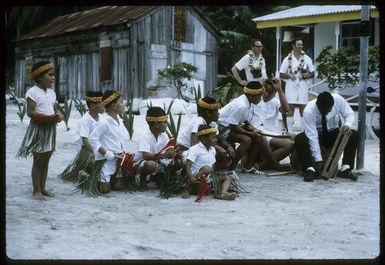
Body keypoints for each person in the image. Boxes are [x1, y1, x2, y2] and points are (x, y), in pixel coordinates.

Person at [16, 61, 64, 200]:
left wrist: (58, 114)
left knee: (46, 159)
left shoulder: (52, 93)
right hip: (39, 129)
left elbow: (55, 108)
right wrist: (47, 118)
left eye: (53, 75)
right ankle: (36, 190)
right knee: (38, 160)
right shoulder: (32, 92)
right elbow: (30, 112)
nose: (53, 78)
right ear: (39, 76)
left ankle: (43, 187)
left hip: (50, 130)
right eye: (50, 75)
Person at [218, 81, 288, 173]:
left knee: (257, 136)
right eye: (259, 96)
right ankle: (232, 168)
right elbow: (233, 126)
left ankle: (248, 166)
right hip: (222, 129)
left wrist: (253, 128)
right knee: (247, 140)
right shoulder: (242, 105)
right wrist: (250, 133)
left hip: (230, 127)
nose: (260, 98)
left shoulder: (247, 101)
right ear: (252, 96)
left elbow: (244, 119)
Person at [294, 91, 358, 182]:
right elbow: (312, 136)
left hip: (333, 132)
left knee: (353, 134)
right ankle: (310, 169)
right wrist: (318, 159)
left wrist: (347, 126)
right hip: (317, 134)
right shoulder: (309, 111)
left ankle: (345, 168)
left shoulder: (338, 100)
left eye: (328, 110)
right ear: (317, 105)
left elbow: (349, 114)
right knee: (299, 138)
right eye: (323, 111)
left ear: (332, 105)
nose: (326, 113)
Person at [58, 91, 105, 182]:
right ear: (92, 106)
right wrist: (95, 153)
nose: (104, 105)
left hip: (100, 148)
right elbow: (85, 141)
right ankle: (84, 175)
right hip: (89, 151)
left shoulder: (102, 118)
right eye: (102, 103)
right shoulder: (86, 120)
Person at [88, 90, 128, 194]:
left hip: (118, 159)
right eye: (121, 102)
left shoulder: (119, 120)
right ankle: (85, 177)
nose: (124, 105)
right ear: (114, 106)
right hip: (106, 160)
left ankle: (112, 178)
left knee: (117, 187)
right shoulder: (104, 122)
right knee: (104, 190)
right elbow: (92, 139)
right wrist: (105, 153)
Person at [249, 78, 294, 170]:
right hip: (256, 132)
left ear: (274, 92)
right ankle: (274, 165)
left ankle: (263, 164)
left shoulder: (275, 101)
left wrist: (279, 89)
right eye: (265, 91)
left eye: (270, 92)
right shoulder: (255, 99)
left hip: (271, 133)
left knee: (289, 144)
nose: (266, 94)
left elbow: (286, 110)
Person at [177, 97, 235, 168]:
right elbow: (194, 147)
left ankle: (211, 171)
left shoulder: (212, 123)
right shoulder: (198, 122)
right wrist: (218, 148)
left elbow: (219, 139)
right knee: (215, 152)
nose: (219, 113)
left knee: (226, 149)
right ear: (208, 113)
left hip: (199, 148)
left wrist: (228, 147)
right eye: (216, 111)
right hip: (185, 150)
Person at [134, 106, 182, 192]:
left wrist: (174, 152)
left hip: (158, 161)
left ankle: (158, 177)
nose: (167, 125)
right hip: (144, 163)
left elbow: (167, 149)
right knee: (150, 165)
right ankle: (143, 178)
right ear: (156, 124)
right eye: (165, 122)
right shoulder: (145, 135)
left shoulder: (163, 135)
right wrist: (163, 155)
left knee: (178, 163)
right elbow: (146, 156)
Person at [182, 124, 236, 200]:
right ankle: (188, 190)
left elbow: (213, 166)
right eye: (213, 137)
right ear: (204, 139)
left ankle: (223, 193)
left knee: (228, 176)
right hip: (196, 181)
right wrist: (191, 177)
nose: (216, 140)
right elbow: (188, 164)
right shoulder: (195, 149)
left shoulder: (212, 150)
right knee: (207, 168)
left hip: (208, 180)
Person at [279, 38, 315, 132]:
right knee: (290, 109)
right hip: (291, 86)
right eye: (298, 45)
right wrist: (289, 76)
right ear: (293, 46)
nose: (301, 46)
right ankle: (290, 132)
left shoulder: (307, 58)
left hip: (303, 86)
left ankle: (303, 132)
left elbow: (313, 73)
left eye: (301, 45)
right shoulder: (287, 59)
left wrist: (308, 75)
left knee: (303, 110)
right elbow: (281, 74)